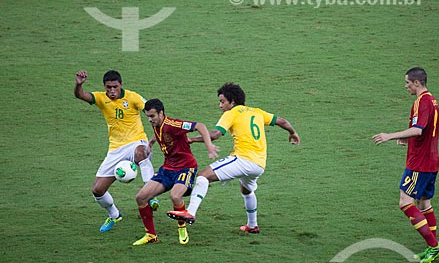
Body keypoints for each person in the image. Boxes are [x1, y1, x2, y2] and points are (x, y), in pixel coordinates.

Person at [167, 82, 300, 236]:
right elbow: (282, 121)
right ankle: (252, 225)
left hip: (243, 160)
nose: (220, 105)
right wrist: (293, 132)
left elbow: (215, 134)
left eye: (222, 101)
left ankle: (190, 212)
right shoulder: (257, 112)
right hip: (259, 165)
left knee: (203, 176)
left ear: (233, 102)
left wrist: (192, 139)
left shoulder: (231, 113)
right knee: (246, 189)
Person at [372, 67, 439, 263]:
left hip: (419, 164)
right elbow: (426, 130)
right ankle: (433, 246)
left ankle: (434, 246)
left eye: (407, 83)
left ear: (417, 83)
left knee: (405, 202)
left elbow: (418, 130)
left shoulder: (422, 102)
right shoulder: (433, 101)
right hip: (431, 160)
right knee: (424, 204)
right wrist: (406, 140)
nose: (406, 87)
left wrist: (390, 136)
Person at [74, 70, 158, 233]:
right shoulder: (100, 98)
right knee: (97, 190)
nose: (112, 91)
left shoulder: (133, 97)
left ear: (121, 85)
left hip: (136, 142)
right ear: (104, 87)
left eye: (115, 87)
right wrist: (79, 84)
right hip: (115, 149)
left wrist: (159, 132)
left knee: (141, 154)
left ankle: (151, 192)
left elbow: (151, 109)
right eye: (108, 87)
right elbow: (81, 95)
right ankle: (114, 215)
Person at [132, 99, 219, 245]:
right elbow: (161, 135)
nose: (149, 120)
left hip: (186, 168)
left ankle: (182, 227)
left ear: (161, 113)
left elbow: (200, 126)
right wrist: (152, 142)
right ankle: (151, 235)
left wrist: (209, 146)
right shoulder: (157, 124)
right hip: (167, 169)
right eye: (147, 116)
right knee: (140, 198)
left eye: (152, 116)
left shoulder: (173, 124)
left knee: (175, 196)